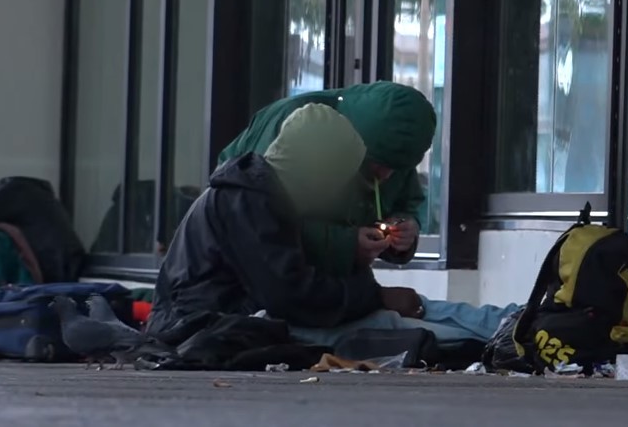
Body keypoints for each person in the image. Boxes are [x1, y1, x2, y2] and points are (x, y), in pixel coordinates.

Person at [148, 103, 425, 334]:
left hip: (213, 321)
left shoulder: (258, 193)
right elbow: (290, 294)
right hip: (195, 328)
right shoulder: (249, 201)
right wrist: (377, 297)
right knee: (402, 332)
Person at [218, 81, 436, 276]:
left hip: (323, 287)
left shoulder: (397, 146)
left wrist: (405, 231)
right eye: (376, 165)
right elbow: (258, 225)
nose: (385, 176)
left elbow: (405, 203)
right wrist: (344, 245)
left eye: (396, 169)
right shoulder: (299, 126)